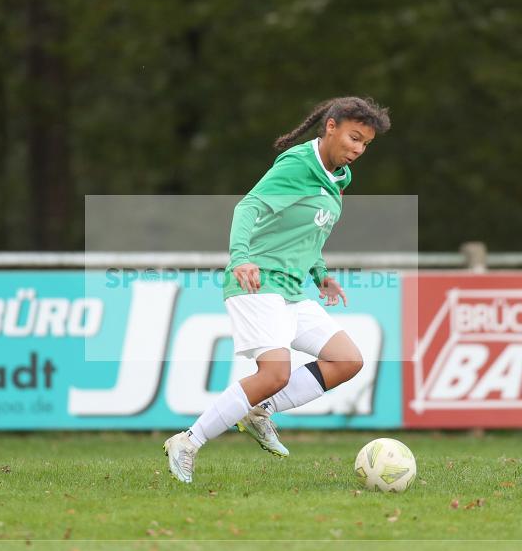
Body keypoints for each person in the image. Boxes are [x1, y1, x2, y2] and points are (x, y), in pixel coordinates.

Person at [164, 96, 391, 483]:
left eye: (366, 143)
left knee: (347, 360)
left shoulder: (340, 177)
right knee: (274, 373)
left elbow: (309, 233)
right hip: (257, 281)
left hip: (290, 290)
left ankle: (260, 411)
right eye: (354, 138)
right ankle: (188, 441)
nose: (358, 149)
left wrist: (320, 274)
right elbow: (247, 208)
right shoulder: (298, 164)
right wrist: (240, 258)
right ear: (331, 126)